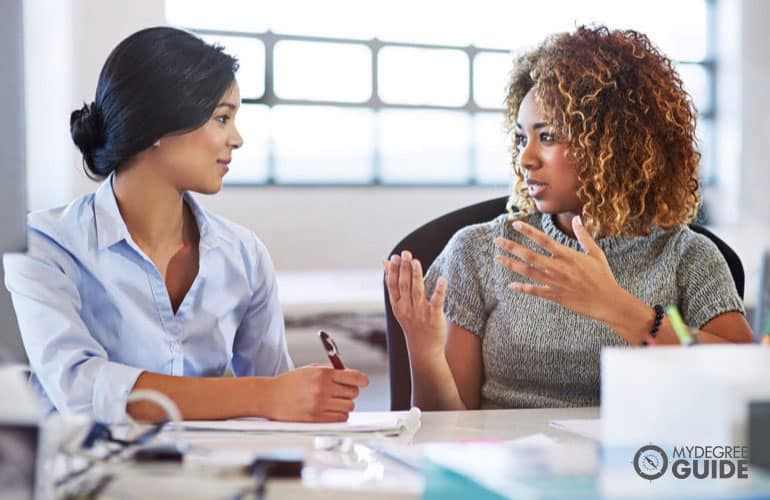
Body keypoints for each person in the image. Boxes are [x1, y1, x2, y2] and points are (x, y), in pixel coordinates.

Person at [3, 27, 368, 424]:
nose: (237, 139)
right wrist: (263, 395)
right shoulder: (44, 244)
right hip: (89, 480)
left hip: (217, 480)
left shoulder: (244, 254)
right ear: (158, 125)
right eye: (222, 118)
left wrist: (307, 397)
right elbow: (79, 387)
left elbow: (274, 396)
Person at [385, 25, 753, 411]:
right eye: (521, 138)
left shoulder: (686, 256)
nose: (526, 158)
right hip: (508, 466)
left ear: (612, 143)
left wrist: (620, 309)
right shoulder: (477, 252)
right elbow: (447, 430)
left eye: (547, 137)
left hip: (640, 465)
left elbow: (744, 374)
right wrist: (423, 350)